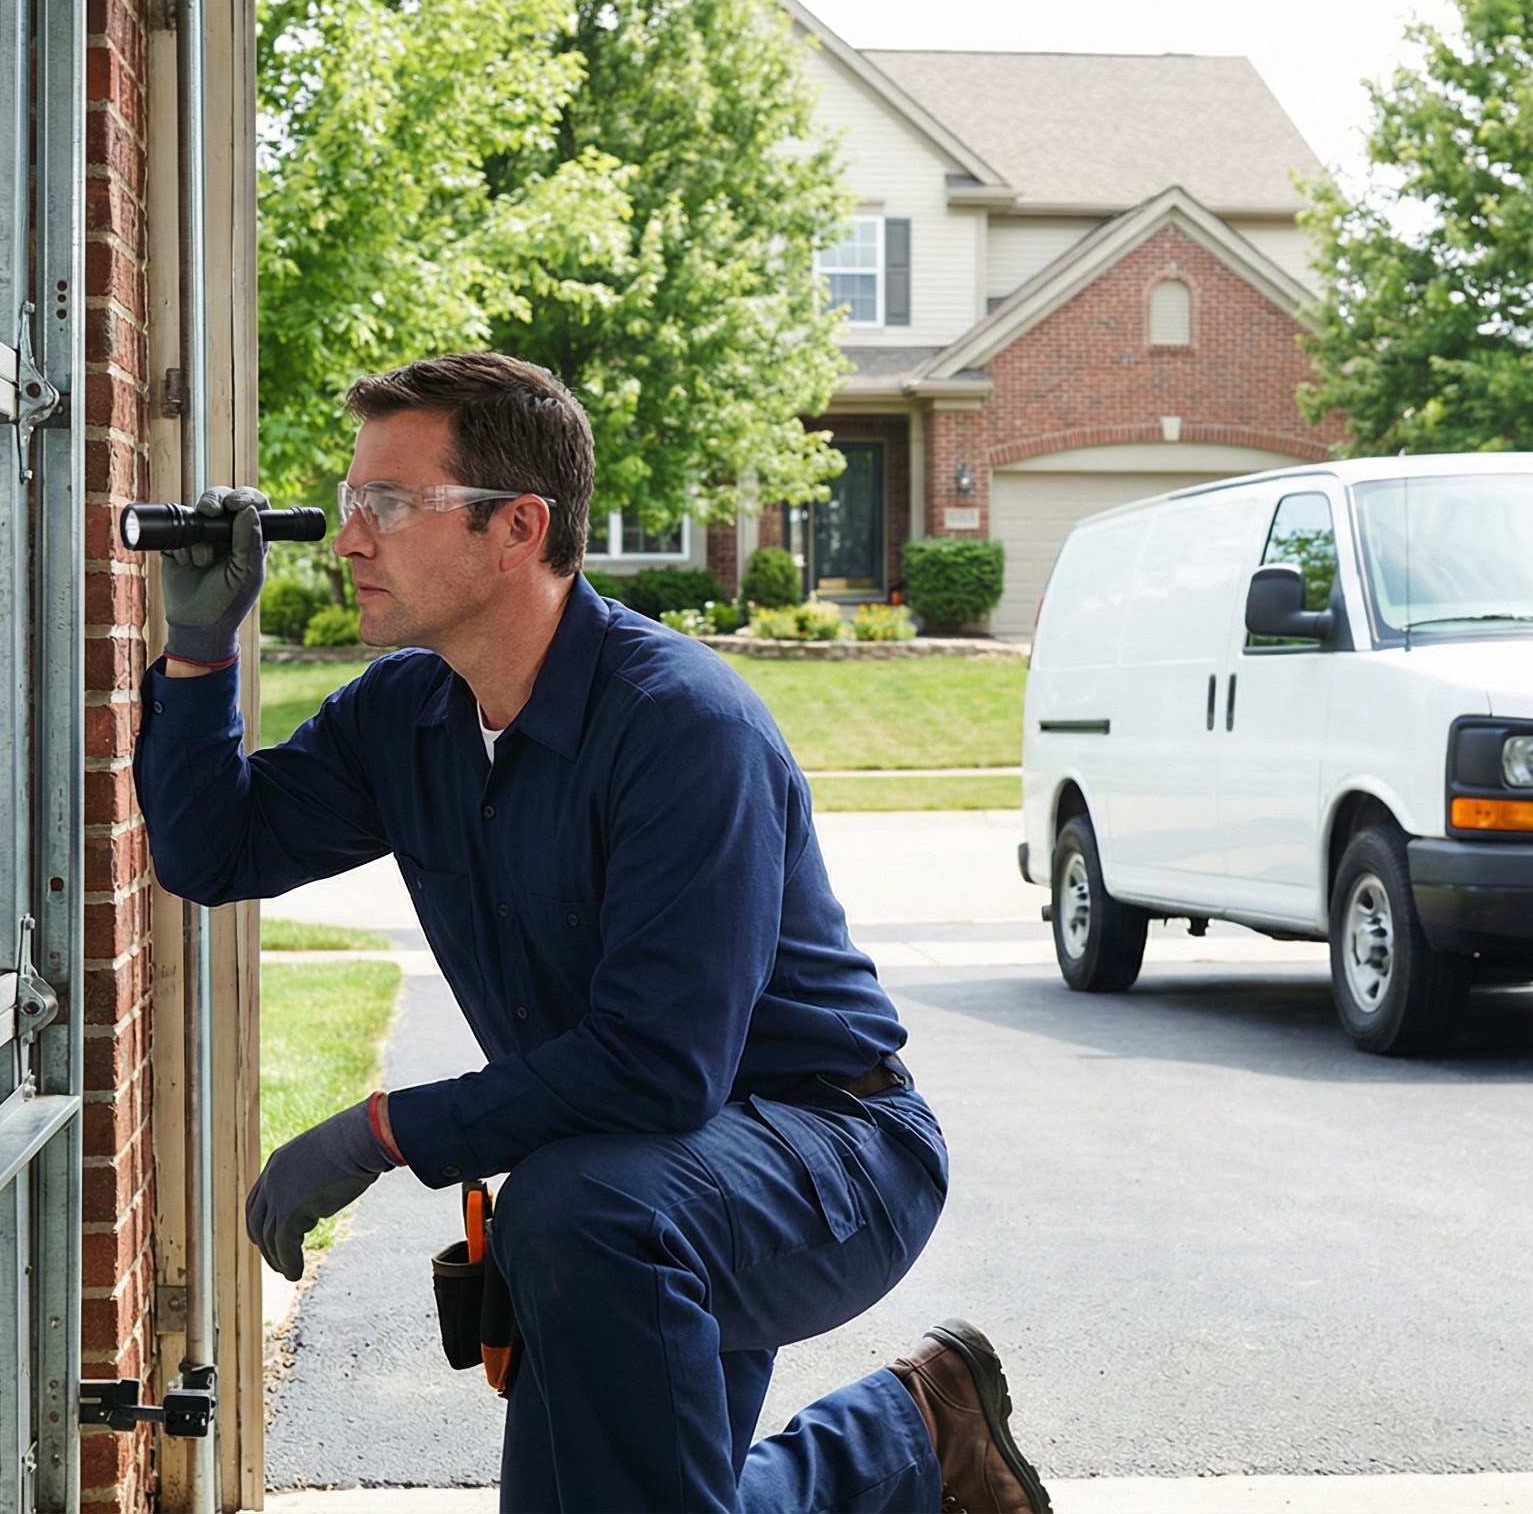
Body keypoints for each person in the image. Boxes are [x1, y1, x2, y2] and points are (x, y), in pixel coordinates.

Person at [135, 352, 1051, 1513]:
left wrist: (379, 1131)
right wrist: (201, 652)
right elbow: (216, 852)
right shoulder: (407, 715)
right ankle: (911, 1433)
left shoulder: (681, 729)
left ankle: (904, 1437)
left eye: (389, 504)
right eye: (351, 501)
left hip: (829, 1154)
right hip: (629, 1175)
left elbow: (659, 1066)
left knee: (574, 1214)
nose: (348, 538)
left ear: (517, 528)